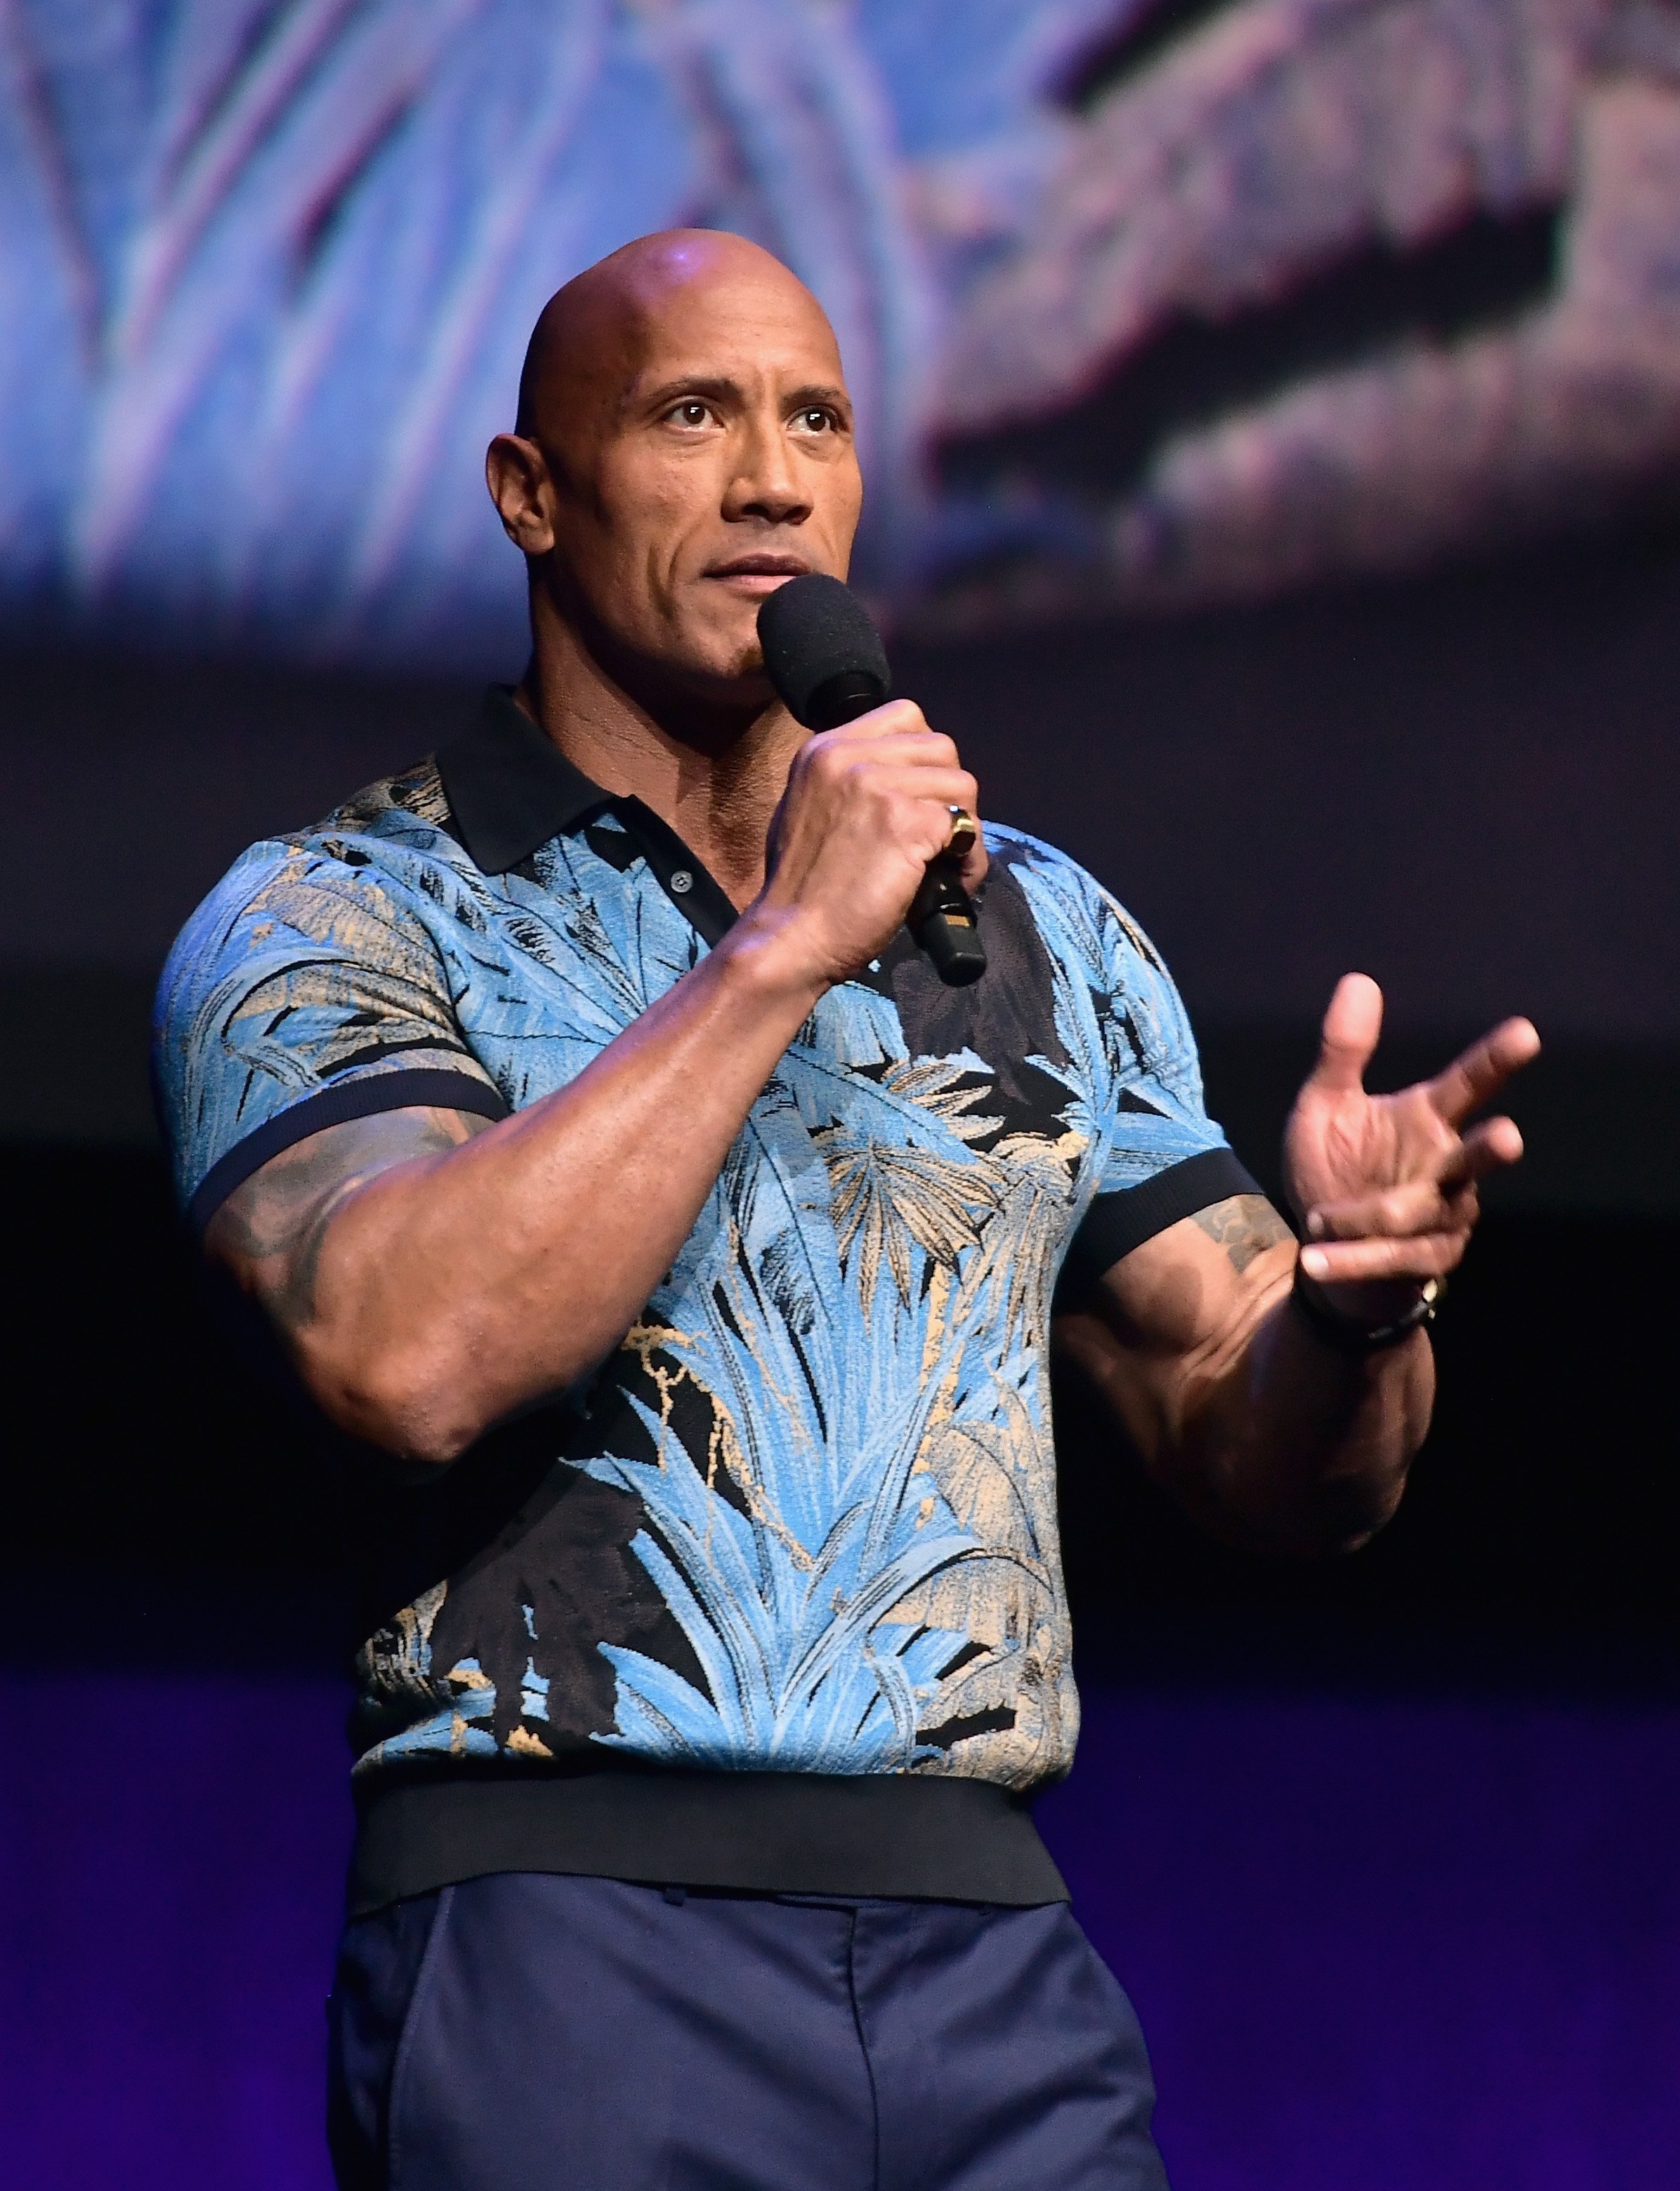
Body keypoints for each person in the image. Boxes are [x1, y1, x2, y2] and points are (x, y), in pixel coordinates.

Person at [154, 230, 1539, 2190]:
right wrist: (783, 946)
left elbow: (1285, 1466)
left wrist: (1355, 1314)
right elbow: (404, 1355)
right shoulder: (344, 915)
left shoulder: (1031, 931)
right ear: (528, 494)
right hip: (570, 1930)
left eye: (816, 418)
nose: (774, 480)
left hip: (993, 1957)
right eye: (693, 415)